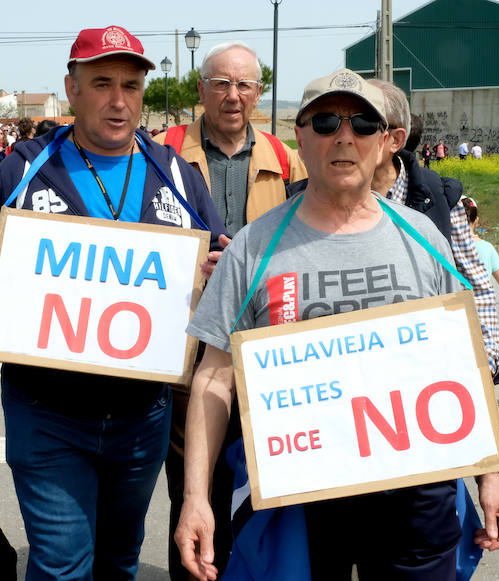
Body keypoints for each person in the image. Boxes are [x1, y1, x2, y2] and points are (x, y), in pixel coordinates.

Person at [175, 68, 499, 581]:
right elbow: (213, 377)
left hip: (416, 493)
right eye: (327, 121)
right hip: (300, 500)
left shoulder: (423, 237)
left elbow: (461, 362)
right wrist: (195, 497)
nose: (344, 136)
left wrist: (491, 475)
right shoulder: (253, 246)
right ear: (301, 137)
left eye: (362, 124)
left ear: (385, 143)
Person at [0, 25, 227, 580]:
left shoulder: (179, 179)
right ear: (72, 88)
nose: (119, 101)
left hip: (142, 419)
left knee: (118, 562)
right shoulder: (23, 172)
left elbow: (221, 266)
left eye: (132, 86)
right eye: (102, 84)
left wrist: (218, 271)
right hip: (46, 413)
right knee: (63, 565)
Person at [153, 40, 307, 580]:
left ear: (259, 93)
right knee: (194, 490)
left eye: (244, 85)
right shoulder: (162, 150)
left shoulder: (283, 156)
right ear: (201, 90)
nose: (233, 95)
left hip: (263, 353)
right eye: (221, 83)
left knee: (260, 491)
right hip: (188, 350)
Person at [365, 79, 499, 377]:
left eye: (364, 123)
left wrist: (486, 358)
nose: (345, 136)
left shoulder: (440, 197)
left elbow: (473, 280)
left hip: (423, 368)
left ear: (395, 139)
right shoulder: (317, 200)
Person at [461, 196, 499, 301]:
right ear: (476, 220)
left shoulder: (449, 245)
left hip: (455, 307)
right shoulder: (487, 248)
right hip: (480, 308)